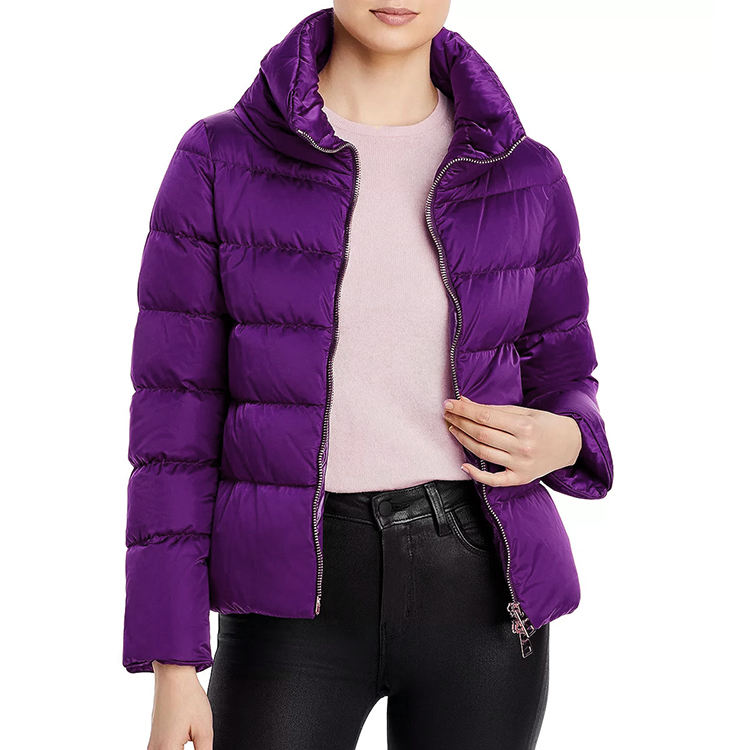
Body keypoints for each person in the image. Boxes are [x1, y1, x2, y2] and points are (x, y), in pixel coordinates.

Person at [123, 3, 614, 749]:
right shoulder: (220, 160)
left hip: (481, 585)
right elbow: (173, 428)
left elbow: (566, 369)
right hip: (288, 594)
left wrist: (569, 438)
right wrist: (172, 661)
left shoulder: (524, 173)